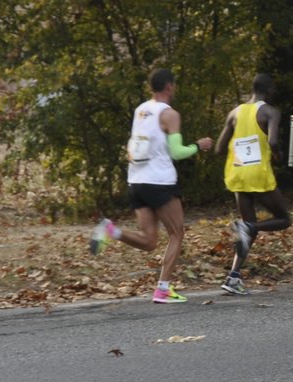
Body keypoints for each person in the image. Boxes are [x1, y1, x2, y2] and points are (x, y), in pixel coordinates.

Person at [90, 67, 213, 303]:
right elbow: (176, 152)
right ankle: (163, 289)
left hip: (136, 181)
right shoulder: (169, 114)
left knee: (149, 241)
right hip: (159, 182)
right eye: (174, 86)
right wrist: (199, 145)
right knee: (177, 233)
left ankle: (110, 230)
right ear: (169, 86)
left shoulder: (140, 110)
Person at [215, 73, 292, 295]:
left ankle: (233, 277)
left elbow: (220, 149)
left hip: (237, 175)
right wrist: (277, 154)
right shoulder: (270, 111)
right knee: (284, 219)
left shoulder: (234, 113)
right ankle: (249, 227)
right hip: (258, 174)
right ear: (269, 91)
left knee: (247, 228)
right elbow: (274, 141)